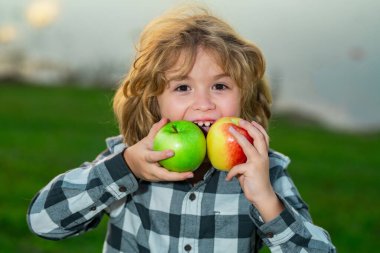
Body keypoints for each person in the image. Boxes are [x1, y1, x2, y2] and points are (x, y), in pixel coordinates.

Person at [27, 5, 336, 253]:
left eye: (219, 85)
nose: (203, 103)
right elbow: (43, 221)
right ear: (155, 101)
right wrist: (126, 168)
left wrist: (267, 200)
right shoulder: (129, 159)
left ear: (243, 96)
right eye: (183, 87)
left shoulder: (263, 171)